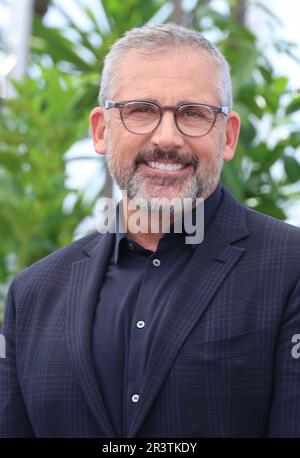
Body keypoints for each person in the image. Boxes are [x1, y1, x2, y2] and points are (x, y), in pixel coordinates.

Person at [1, 23, 300, 439]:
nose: (166, 137)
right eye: (141, 109)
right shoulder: (32, 295)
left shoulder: (290, 268)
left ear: (228, 137)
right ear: (101, 130)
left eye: (193, 114)